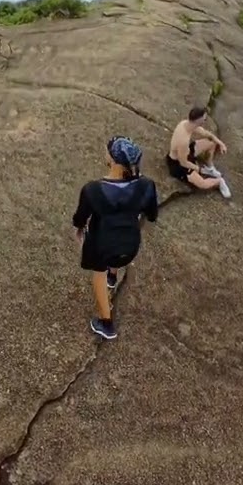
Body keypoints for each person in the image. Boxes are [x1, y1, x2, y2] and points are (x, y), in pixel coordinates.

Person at [72, 136, 160, 340]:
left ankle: (107, 324)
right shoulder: (146, 185)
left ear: (113, 160)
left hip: (102, 247)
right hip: (130, 246)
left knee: (98, 274)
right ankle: (114, 275)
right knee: (117, 242)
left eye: (107, 151)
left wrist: (78, 229)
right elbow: (152, 215)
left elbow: (81, 218)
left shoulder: (93, 189)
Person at [166, 106, 231, 198]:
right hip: (178, 163)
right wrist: (198, 169)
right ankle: (219, 181)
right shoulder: (183, 140)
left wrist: (221, 143)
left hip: (187, 153)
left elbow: (207, 134)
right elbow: (183, 162)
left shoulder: (188, 124)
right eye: (204, 119)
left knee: (212, 143)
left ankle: (209, 167)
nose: (205, 121)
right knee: (202, 184)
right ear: (198, 121)